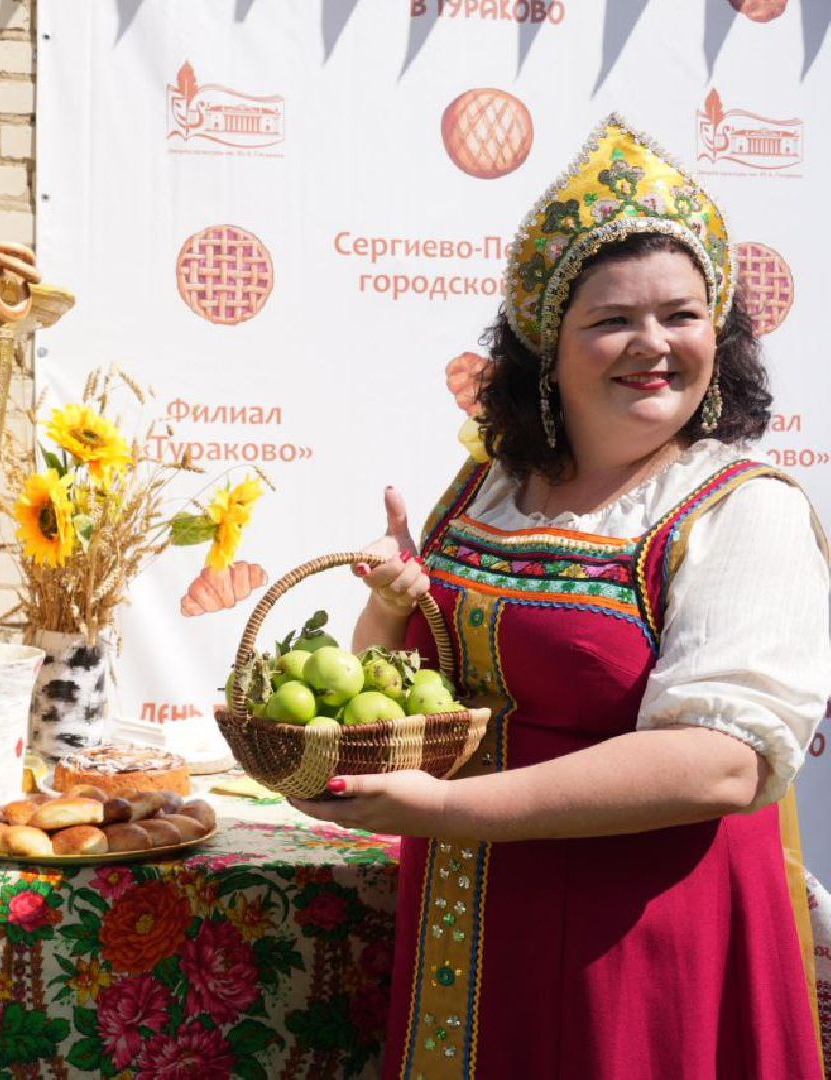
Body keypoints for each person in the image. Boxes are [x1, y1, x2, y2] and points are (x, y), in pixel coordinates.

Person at [294, 117, 831, 1077]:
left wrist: (453, 812)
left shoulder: (742, 510)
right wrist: (386, 608)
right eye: (611, 319)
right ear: (548, 345)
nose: (651, 344)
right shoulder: (493, 485)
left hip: (642, 936)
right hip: (471, 910)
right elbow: (423, 693)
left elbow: (719, 762)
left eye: (681, 313)